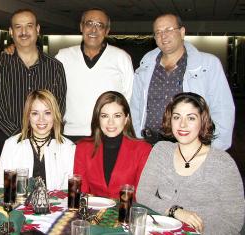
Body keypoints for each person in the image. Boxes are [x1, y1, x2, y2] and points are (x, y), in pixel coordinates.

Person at [136, 92, 244, 234]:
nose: (182, 124)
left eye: (191, 118)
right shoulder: (161, 150)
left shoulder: (222, 163)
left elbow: (233, 221)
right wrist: (175, 210)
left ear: (203, 121)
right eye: (176, 117)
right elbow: (143, 195)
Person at [130, 13, 235, 150]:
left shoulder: (208, 65)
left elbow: (222, 108)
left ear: (182, 32)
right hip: (150, 145)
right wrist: (139, 138)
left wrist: (216, 147)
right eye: (158, 32)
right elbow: (136, 106)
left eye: (168, 30)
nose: (163, 36)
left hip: (191, 146)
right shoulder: (145, 67)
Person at [0, 8, 67, 158]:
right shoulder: (1, 63)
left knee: (47, 181)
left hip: (47, 140)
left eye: (29, 26)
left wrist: (41, 132)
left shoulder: (55, 66)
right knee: (10, 182)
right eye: (18, 27)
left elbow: (59, 105)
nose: (24, 32)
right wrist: (18, 135)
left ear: (37, 29)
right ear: (11, 31)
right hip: (9, 139)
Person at [55, 8, 134, 142]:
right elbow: (52, 94)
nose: (93, 29)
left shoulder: (121, 57)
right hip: (70, 135)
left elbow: (128, 98)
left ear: (107, 31)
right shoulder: (63, 56)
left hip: (108, 134)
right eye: (89, 23)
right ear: (81, 27)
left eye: (100, 25)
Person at [73, 91, 151, 198]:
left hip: (126, 212)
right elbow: (81, 192)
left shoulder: (143, 149)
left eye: (117, 116)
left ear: (126, 119)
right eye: (105, 116)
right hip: (93, 211)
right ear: (98, 119)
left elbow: (141, 196)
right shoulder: (83, 147)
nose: (110, 122)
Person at [0, 90, 75, 190]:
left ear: (55, 115)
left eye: (47, 113)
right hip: (19, 204)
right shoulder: (11, 145)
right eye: (35, 113)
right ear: (28, 116)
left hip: (56, 204)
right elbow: (1, 185)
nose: (41, 119)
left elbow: (69, 190)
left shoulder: (68, 147)